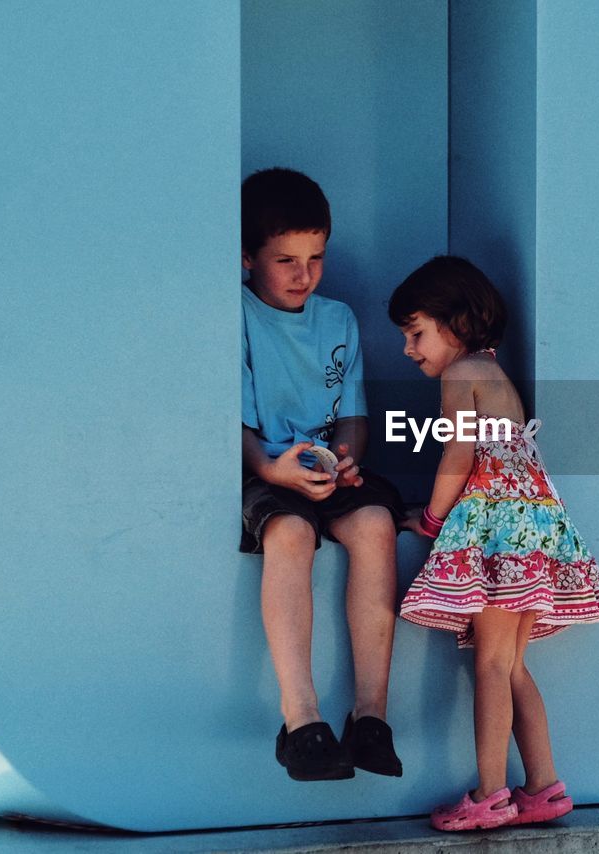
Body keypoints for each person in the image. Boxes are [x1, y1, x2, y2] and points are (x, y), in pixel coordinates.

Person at [388, 255, 599, 830]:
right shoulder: (496, 373)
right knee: (512, 665)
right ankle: (544, 786)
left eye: (416, 334)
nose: (409, 349)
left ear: (456, 323)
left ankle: (490, 794)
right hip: (533, 525)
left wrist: (433, 519)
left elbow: (460, 454)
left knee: (489, 664)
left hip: (496, 529)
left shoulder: (460, 374)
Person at [240, 167, 406, 781]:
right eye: (285, 259)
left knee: (375, 526)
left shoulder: (337, 320)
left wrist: (348, 456)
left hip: (326, 471)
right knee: (290, 535)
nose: (303, 274)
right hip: (266, 467)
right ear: (246, 258)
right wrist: (269, 467)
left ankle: (371, 719)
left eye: (315, 257)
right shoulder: (236, 315)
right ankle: (301, 721)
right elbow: (234, 425)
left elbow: (355, 416)